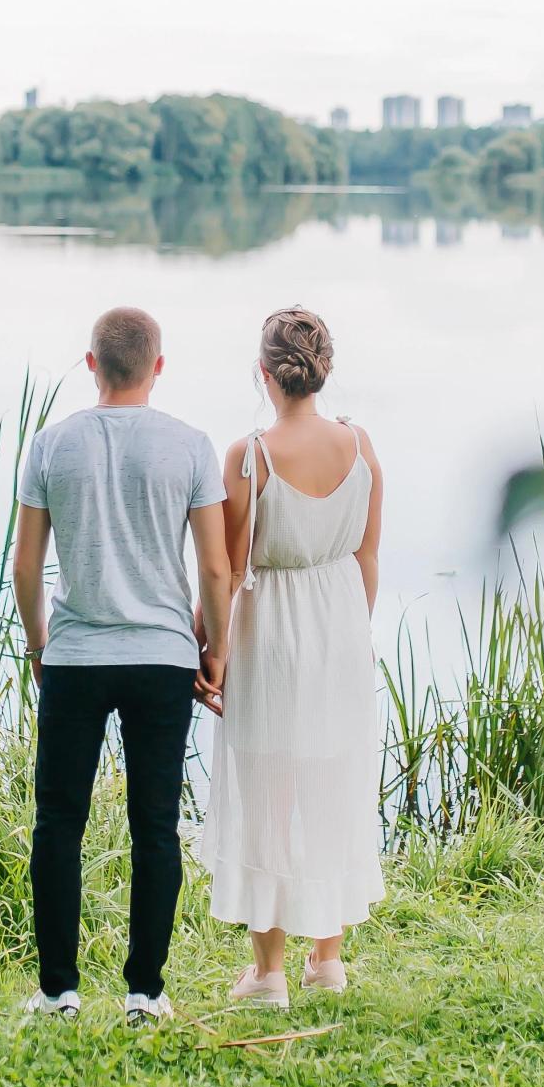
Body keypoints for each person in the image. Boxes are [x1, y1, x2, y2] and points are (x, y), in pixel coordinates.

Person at [13, 306, 230, 1025]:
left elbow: (26, 564)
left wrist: (40, 645)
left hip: (76, 655)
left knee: (59, 823)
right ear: (157, 368)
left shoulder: (51, 445)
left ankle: (58, 992)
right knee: (156, 827)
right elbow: (214, 569)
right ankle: (144, 992)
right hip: (163, 658)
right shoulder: (191, 446)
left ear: (91, 365)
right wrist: (216, 652)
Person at [193, 306, 386, 1006]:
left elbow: (225, 564)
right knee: (332, 786)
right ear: (319, 368)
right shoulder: (362, 446)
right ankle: (327, 960)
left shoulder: (250, 456)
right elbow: (367, 558)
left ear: (266, 372)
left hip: (270, 633)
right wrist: (346, 641)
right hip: (339, 627)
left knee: (269, 797)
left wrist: (207, 650)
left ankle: (268, 972)